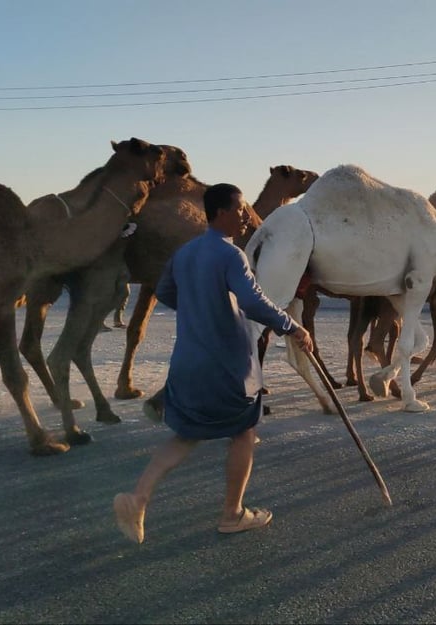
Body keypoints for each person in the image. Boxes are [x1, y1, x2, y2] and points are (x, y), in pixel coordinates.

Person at [113, 183, 312, 544]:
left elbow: (166, 291)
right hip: (229, 367)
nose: (244, 217)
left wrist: (201, 306)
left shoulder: (185, 253)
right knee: (243, 432)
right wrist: (291, 326)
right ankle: (233, 514)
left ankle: (137, 497)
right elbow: (253, 301)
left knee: (187, 434)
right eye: (239, 210)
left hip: (188, 363)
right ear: (221, 212)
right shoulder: (230, 255)